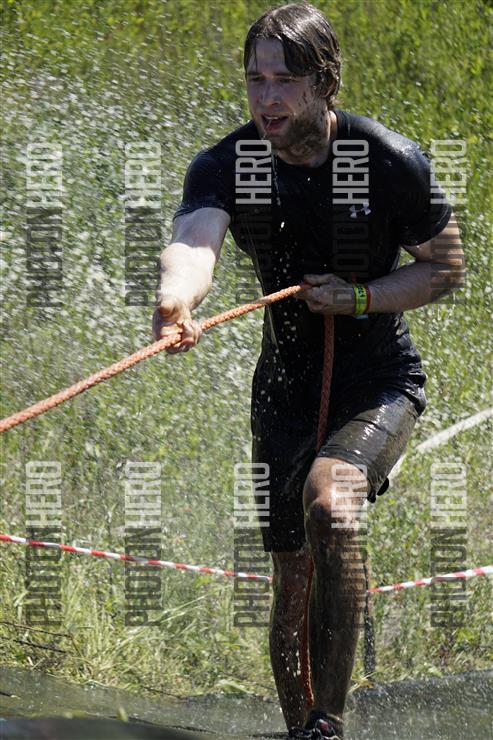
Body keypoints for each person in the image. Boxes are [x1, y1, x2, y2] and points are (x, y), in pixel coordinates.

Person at [152, 3, 464, 738]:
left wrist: (359, 297)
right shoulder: (227, 163)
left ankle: (330, 723)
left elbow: (445, 268)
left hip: (378, 381)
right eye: (255, 79)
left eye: (284, 81)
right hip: (284, 390)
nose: (266, 98)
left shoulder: (386, 159)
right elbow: (195, 241)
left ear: (325, 82)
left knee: (332, 505)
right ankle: (299, 729)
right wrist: (176, 298)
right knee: (292, 575)